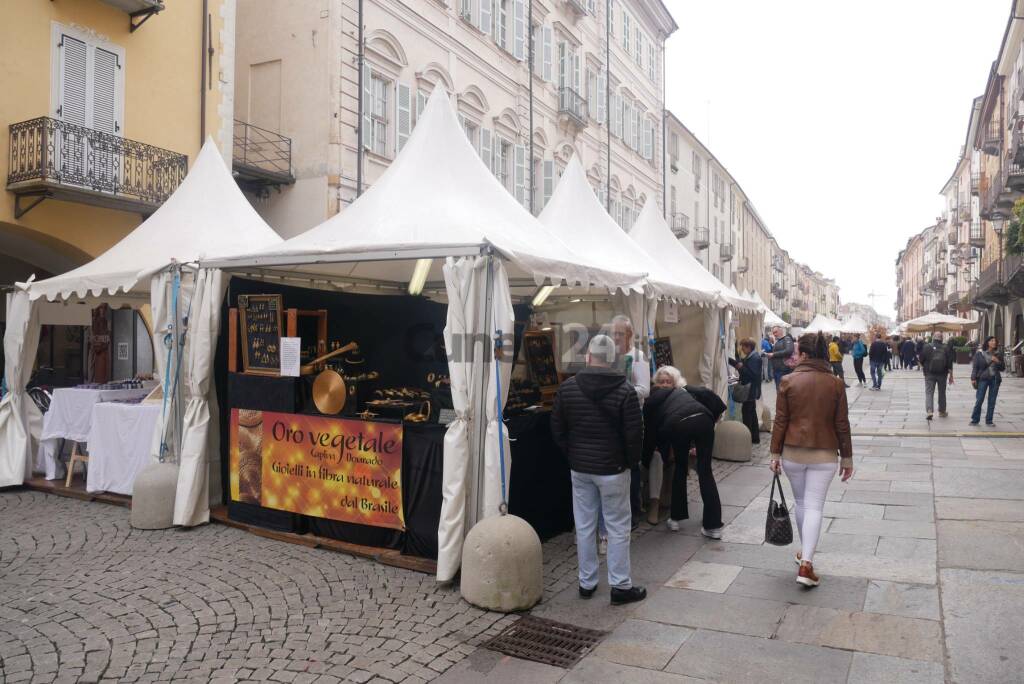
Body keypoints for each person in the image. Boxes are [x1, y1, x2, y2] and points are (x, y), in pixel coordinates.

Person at [551, 335, 646, 605]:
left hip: (581, 468)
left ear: (589, 357)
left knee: (584, 526)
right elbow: (634, 435)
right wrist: (630, 462)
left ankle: (587, 582)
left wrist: (572, 454)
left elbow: (557, 428)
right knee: (617, 527)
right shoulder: (625, 391)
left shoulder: (568, 388)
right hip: (613, 468)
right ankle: (620, 585)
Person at [769, 332, 854, 588]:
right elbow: (842, 424)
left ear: (803, 354)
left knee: (802, 503)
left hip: (793, 453)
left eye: (796, 352)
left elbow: (780, 420)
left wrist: (774, 454)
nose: (794, 355)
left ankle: (804, 554)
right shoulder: (836, 383)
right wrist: (847, 458)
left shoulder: (787, 381)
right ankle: (806, 562)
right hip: (825, 453)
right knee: (815, 506)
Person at [643, 365, 726, 539]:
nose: (665, 384)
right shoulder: (686, 391)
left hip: (680, 424)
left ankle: (675, 519)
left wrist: (645, 459)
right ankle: (713, 526)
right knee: (705, 472)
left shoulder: (652, 399)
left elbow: (651, 433)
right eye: (662, 381)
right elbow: (717, 404)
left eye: (668, 381)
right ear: (657, 382)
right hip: (704, 420)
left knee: (681, 468)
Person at [611, 315, 649, 528]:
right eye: (613, 333)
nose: (616, 337)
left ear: (629, 335)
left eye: (620, 333)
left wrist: (620, 393)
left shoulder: (638, 356)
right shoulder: (609, 356)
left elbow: (645, 390)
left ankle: (634, 510)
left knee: (632, 464)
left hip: (632, 418)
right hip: (612, 419)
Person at [728, 338, 762, 445]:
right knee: (751, 413)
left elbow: (752, 374)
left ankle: (748, 438)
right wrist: (737, 363)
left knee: (747, 414)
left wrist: (738, 366)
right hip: (751, 389)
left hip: (750, 390)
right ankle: (754, 438)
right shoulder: (751, 357)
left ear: (749, 347)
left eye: (743, 346)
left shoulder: (755, 358)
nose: (742, 348)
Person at [970, 336, 1005, 426]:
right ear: (987, 342)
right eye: (992, 341)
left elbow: (1003, 368)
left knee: (992, 401)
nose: (994, 342)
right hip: (983, 379)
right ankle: (975, 419)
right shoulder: (980, 353)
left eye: (995, 341)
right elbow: (975, 367)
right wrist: (973, 378)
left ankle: (989, 421)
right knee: (979, 399)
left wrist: (997, 361)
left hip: (995, 379)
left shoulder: (998, 354)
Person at [920, 332, 954, 420]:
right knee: (942, 392)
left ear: (933, 338)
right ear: (941, 338)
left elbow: (921, 359)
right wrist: (951, 375)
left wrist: (925, 367)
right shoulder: (946, 347)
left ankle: (929, 411)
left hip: (929, 373)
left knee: (929, 392)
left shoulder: (927, 346)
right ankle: (942, 412)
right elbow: (950, 362)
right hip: (942, 374)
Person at [766, 325, 795, 390]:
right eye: (773, 333)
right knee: (779, 390)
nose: (774, 334)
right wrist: (770, 355)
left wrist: (773, 354)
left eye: (776, 332)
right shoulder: (778, 341)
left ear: (781, 331)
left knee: (782, 390)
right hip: (777, 370)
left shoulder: (787, 338)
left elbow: (789, 351)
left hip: (783, 370)